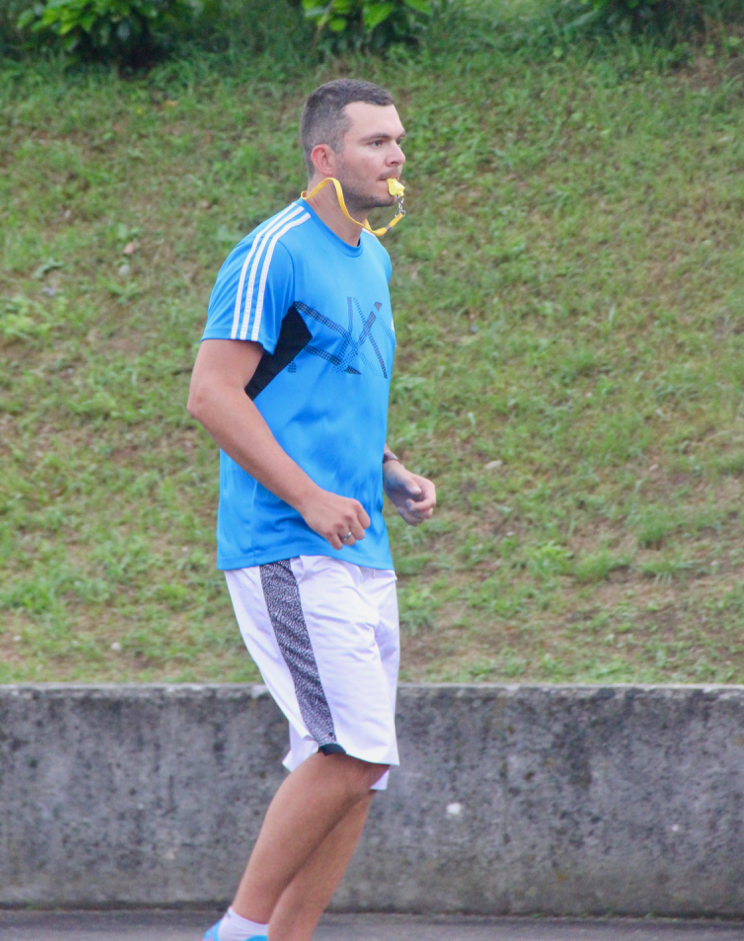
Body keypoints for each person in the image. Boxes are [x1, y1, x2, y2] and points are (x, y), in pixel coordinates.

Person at [187, 78, 437, 941]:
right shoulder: (275, 251)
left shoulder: (372, 259)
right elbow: (213, 395)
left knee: (357, 773)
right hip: (287, 542)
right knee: (351, 754)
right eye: (376, 142)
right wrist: (308, 496)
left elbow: (329, 390)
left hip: (359, 547)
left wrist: (389, 470)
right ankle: (237, 932)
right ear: (324, 156)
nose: (396, 155)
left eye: (398, 140)